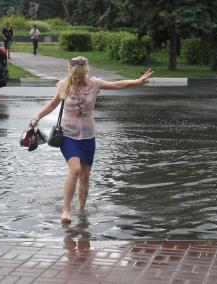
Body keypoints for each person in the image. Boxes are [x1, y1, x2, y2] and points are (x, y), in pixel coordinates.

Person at [30, 56, 153, 223]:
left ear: (86, 73)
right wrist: (37, 116)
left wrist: (137, 82)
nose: (77, 80)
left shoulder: (95, 84)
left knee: (85, 176)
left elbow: (117, 85)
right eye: (74, 76)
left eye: (80, 77)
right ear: (70, 72)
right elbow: (52, 105)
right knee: (75, 170)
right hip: (68, 135)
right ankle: (66, 210)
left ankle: (81, 208)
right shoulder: (63, 85)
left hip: (88, 136)